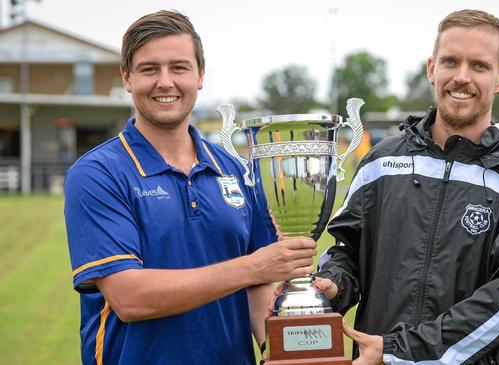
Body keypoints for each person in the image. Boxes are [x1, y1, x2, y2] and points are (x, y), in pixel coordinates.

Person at [64, 10, 316, 365]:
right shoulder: (97, 174)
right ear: (127, 78)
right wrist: (252, 268)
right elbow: (130, 298)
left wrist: (278, 350)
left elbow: (261, 286)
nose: (165, 82)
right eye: (149, 69)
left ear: (200, 75)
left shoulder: (239, 171)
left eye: (179, 67)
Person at [315, 9, 499, 365]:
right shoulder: (380, 164)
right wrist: (333, 282)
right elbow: (347, 249)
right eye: (451, 62)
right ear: (432, 69)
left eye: (479, 66)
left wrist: (399, 352)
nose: (461, 77)